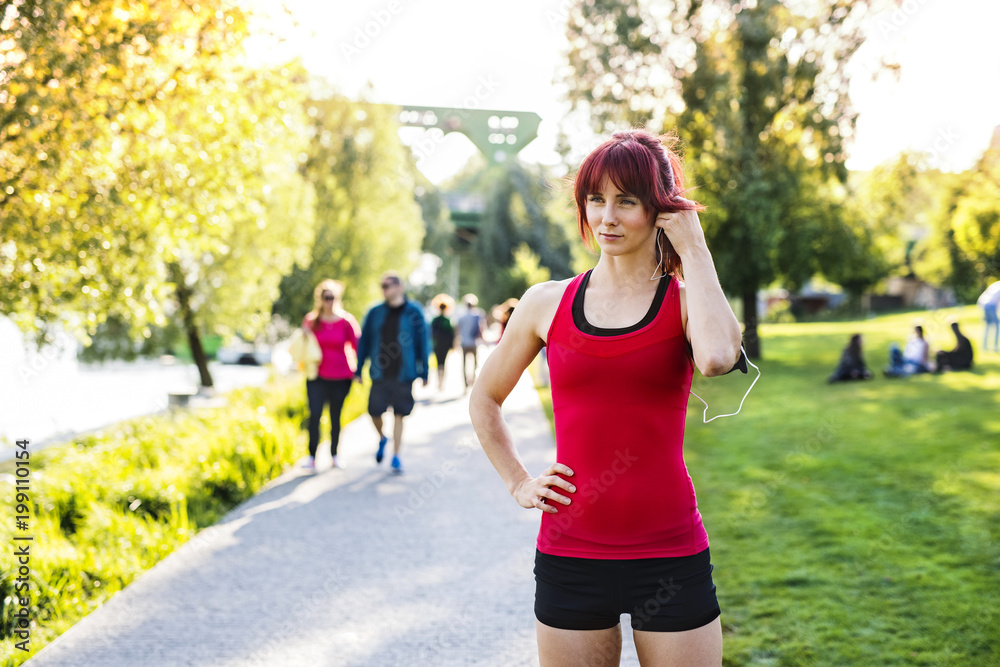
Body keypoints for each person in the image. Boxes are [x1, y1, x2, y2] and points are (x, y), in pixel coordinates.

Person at [470, 130, 742, 666]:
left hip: (671, 552)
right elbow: (485, 398)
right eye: (596, 199)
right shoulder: (545, 303)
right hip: (571, 554)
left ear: (661, 210)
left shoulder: (686, 303)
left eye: (627, 200)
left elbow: (715, 359)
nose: (607, 217)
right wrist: (519, 482)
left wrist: (696, 247)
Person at [354, 272, 429, 474]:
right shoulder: (375, 312)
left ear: (399, 287)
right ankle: (382, 438)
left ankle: (396, 455)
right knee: (374, 411)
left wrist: (425, 371)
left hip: (404, 373)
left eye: (388, 286)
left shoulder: (414, 312)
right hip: (380, 371)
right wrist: (359, 368)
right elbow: (364, 342)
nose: (384, 290)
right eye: (382, 286)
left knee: (399, 414)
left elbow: (423, 341)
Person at [300, 279, 359, 471]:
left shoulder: (346, 321)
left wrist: (359, 371)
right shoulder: (311, 320)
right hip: (317, 376)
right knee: (315, 414)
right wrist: (304, 334)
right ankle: (311, 456)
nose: (329, 301)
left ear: (338, 299)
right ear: (320, 299)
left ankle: (334, 454)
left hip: (341, 377)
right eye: (326, 298)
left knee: (335, 416)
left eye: (333, 297)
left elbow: (357, 346)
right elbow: (302, 346)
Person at [456, 294, 485, 390]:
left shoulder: (461, 316)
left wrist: (456, 342)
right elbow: (481, 329)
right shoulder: (478, 315)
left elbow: (457, 330)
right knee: (475, 362)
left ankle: (465, 382)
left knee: (464, 363)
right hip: (474, 342)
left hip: (464, 342)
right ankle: (473, 380)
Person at [430, 294, 456, 391]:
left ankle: (439, 382)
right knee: (443, 363)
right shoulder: (448, 320)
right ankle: (442, 382)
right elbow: (451, 334)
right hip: (445, 344)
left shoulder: (435, 320)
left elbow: (431, 333)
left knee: (438, 363)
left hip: (437, 344)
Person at [978, 280, 1000, 352]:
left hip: (984, 304)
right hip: (990, 306)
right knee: (997, 325)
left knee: (988, 326)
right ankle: (996, 347)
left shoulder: (996, 284)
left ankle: (984, 346)